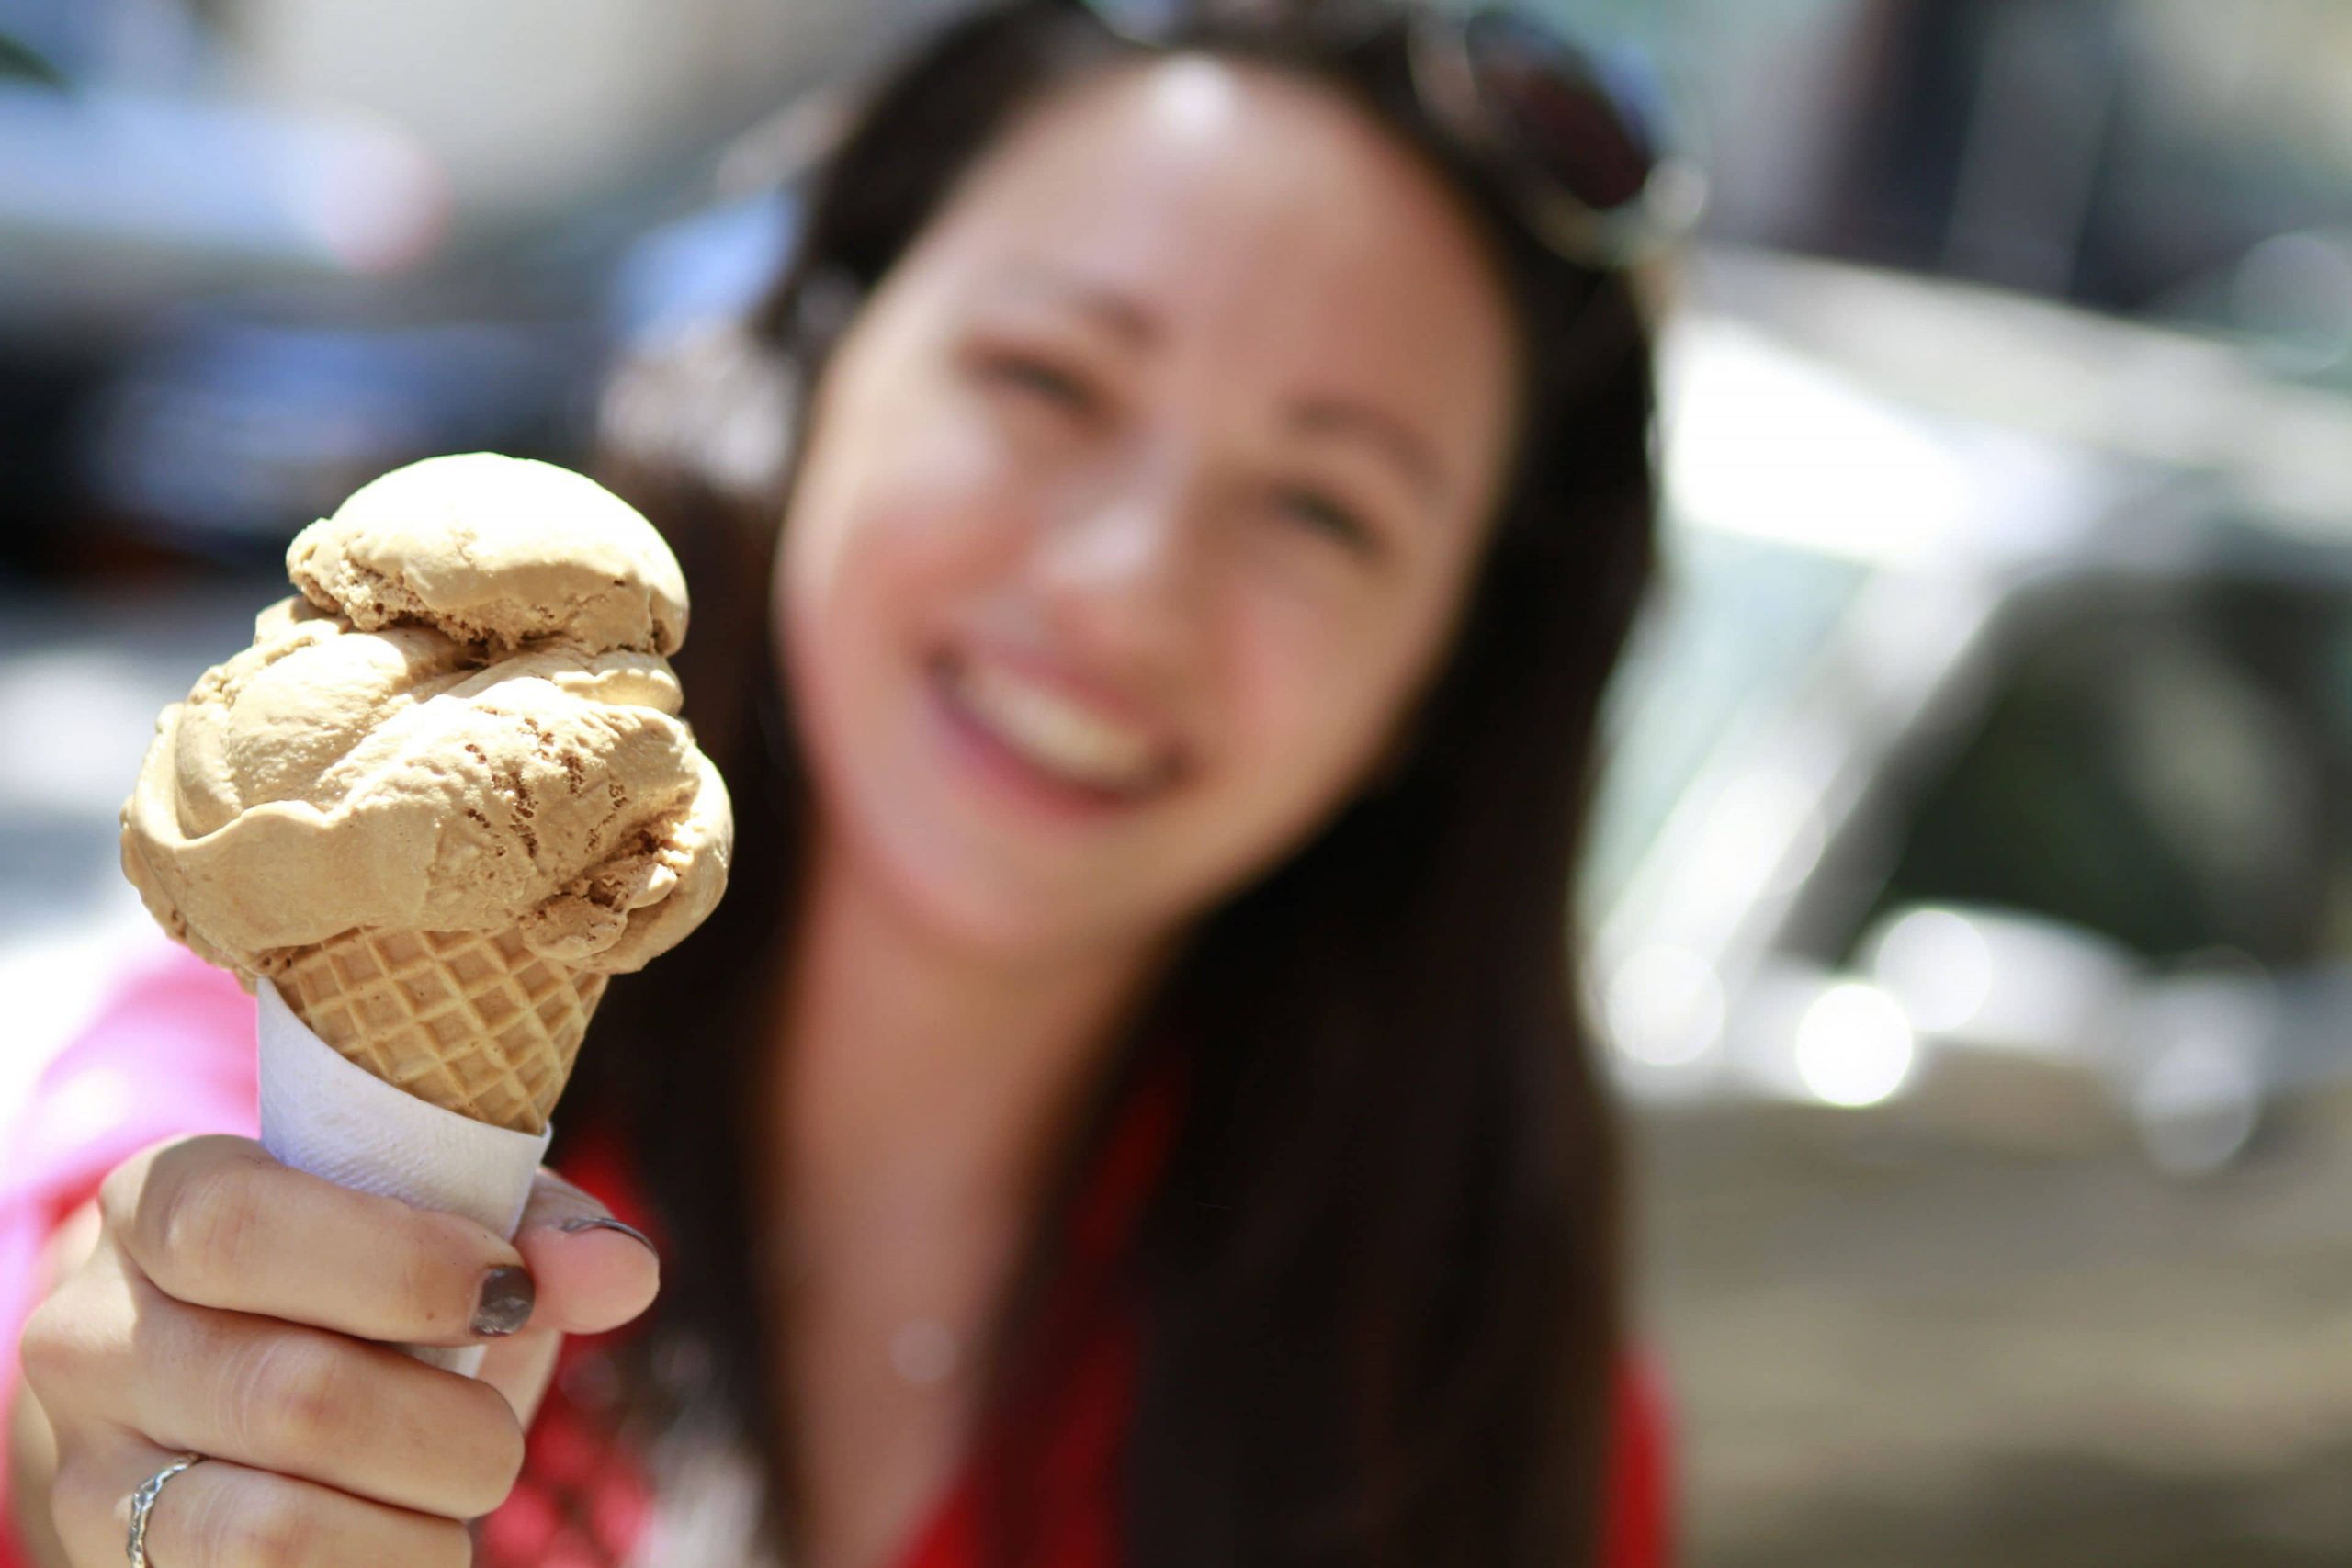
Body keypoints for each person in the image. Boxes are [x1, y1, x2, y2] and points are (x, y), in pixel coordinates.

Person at [2, 0, 1678, 1563]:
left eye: (1326, 508)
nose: (1124, 584)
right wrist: (83, 1471)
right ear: (817, 379)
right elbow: (99, 1266)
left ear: (1444, 679)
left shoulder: (1484, 1413)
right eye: (1047, 380)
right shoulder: (258, 1051)